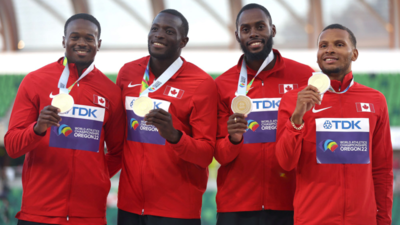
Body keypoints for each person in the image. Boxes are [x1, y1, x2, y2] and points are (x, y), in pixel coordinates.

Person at [4, 13, 125, 225]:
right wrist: (38, 128)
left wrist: (95, 177)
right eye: (74, 36)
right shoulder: (34, 81)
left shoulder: (110, 92)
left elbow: (118, 151)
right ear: (63, 40)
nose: (81, 43)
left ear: (99, 43)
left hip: (89, 215)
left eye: (89, 38)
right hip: (39, 212)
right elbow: (12, 146)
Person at [276, 24, 393, 224]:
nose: (329, 49)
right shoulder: (294, 100)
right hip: (313, 219)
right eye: (323, 46)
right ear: (317, 55)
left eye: (339, 44)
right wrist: (297, 118)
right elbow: (285, 163)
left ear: (354, 54)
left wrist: (383, 220)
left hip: (362, 219)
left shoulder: (376, 100)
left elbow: (382, 169)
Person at [214, 3, 314, 225]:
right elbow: (220, 155)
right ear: (238, 35)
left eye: (260, 26)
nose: (253, 34)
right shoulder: (222, 85)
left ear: (273, 30)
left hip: (290, 202)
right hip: (236, 205)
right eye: (246, 29)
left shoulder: (303, 76)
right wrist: (233, 138)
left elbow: (312, 140)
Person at [116, 9, 217, 225]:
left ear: (183, 41)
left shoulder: (201, 83)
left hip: (176, 210)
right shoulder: (128, 73)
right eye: (155, 29)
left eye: (169, 31)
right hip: (129, 206)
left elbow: (206, 154)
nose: (159, 35)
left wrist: (174, 136)